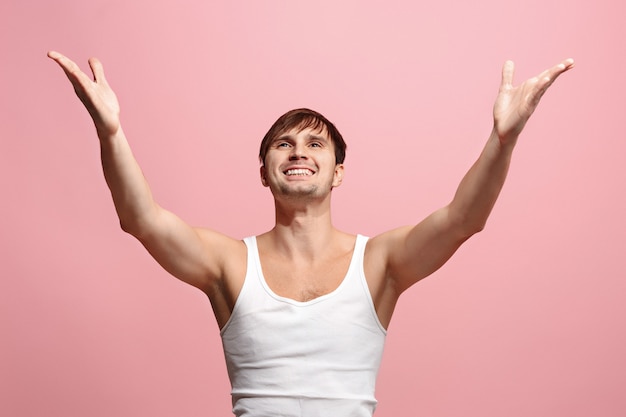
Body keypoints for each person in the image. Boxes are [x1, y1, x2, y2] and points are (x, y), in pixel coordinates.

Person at [48, 50, 574, 416]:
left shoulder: (380, 262)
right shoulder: (229, 262)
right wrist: (110, 132)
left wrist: (503, 140)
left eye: (315, 145)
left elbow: (463, 219)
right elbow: (142, 219)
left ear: (338, 172)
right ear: (263, 172)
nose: (299, 151)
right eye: (283, 144)